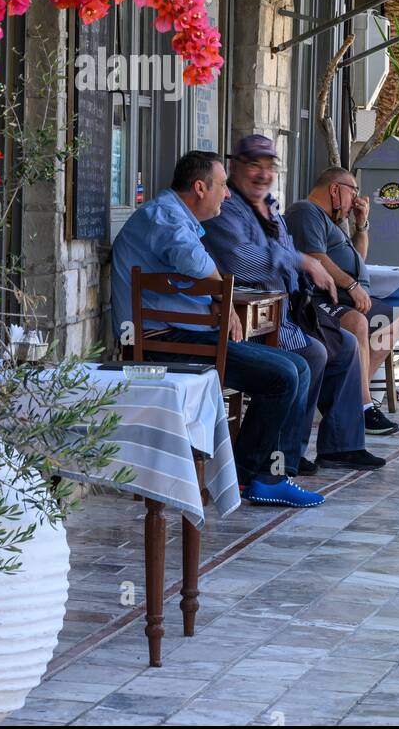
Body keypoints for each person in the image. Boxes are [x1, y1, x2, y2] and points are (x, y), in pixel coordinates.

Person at [111, 150, 325, 508]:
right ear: (199, 187)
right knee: (284, 375)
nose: (227, 194)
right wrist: (223, 304)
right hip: (162, 342)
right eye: (223, 185)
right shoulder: (164, 216)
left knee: (298, 366)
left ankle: (269, 474)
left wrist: (215, 301)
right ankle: (243, 478)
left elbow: (187, 271)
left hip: (184, 333)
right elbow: (193, 260)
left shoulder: (176, 216)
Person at [202, 135, 386, 473]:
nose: (261, 173)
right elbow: (240, 260)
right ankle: (285, 455)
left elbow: (290, 254)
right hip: (254, 316)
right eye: (253, 165)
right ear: (234, 168)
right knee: (312, 352)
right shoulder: (225, 207)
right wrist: (299, 263)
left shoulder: (270, 207)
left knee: (345, 345)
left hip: (290, 308)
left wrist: (301, 268)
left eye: (268, 166)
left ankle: (341, 445)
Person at [285, 166, 399, 436]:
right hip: (316, 299)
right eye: (354, 193)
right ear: (335, 189)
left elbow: (358, 260)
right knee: (357, 323)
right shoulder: (306, 211)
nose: (355, 201)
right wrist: (352, 285)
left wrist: (361, 225)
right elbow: (315, 257)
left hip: (344, 298)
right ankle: (361, 408)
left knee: (393, 319)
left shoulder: (332, 223)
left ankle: (350, 396)